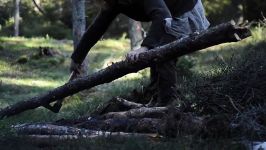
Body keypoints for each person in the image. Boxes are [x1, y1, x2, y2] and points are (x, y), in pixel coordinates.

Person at [70, 0, 210, 106]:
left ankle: (169, 108)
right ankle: (156, 98)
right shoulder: (114, 2)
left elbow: (162, 15)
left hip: (185, 13)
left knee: (162, 55)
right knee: (158, 53)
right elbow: (96, 29)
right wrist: (77, 58)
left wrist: (145, 47)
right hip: (169, 16)